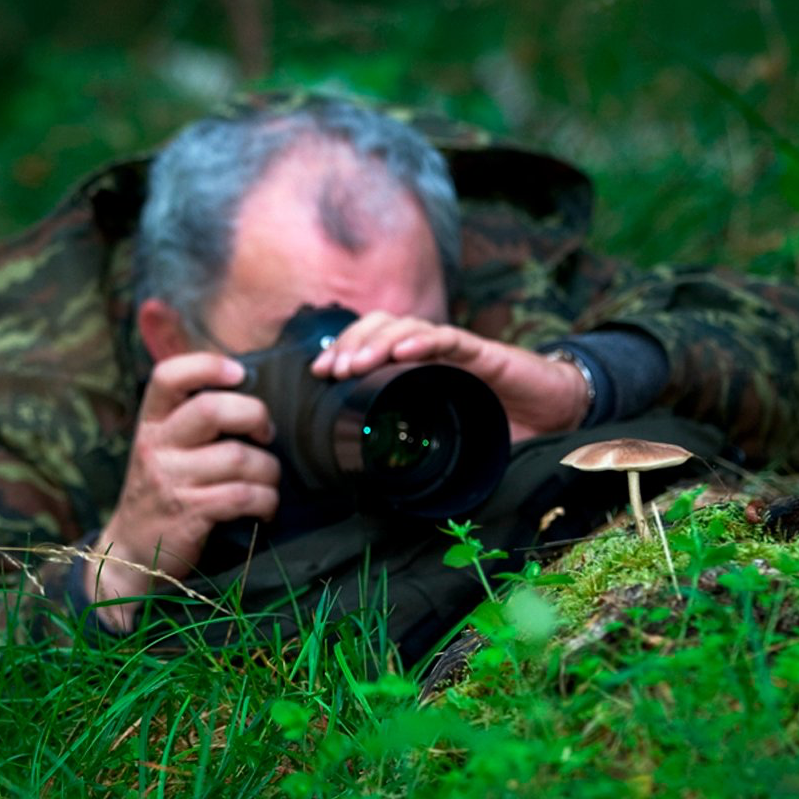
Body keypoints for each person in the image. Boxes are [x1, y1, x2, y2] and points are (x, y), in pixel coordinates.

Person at [1, 92, 798, 661]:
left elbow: (763, 324)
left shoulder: (493, 276)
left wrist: (581, 379)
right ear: (171, 338)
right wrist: (112, 561)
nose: (365, 383)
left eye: (393, 342)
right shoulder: (44, 388)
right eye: (314, 343)